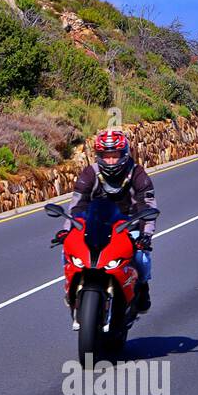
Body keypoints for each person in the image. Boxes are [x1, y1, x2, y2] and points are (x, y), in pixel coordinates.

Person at [55, 129, 157, 311]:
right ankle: (70, 284)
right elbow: (77, 204)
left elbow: (148, 206)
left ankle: (143, 288)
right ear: (99, 156)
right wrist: (67, 229)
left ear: (124, 155)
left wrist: (146, 235)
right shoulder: (90, 173)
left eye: (115, 156)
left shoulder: (137, 174)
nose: (111, 161)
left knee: (141, 257)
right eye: (106, 156)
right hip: (94, 225)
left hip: (128, 226)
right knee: (66, 250)